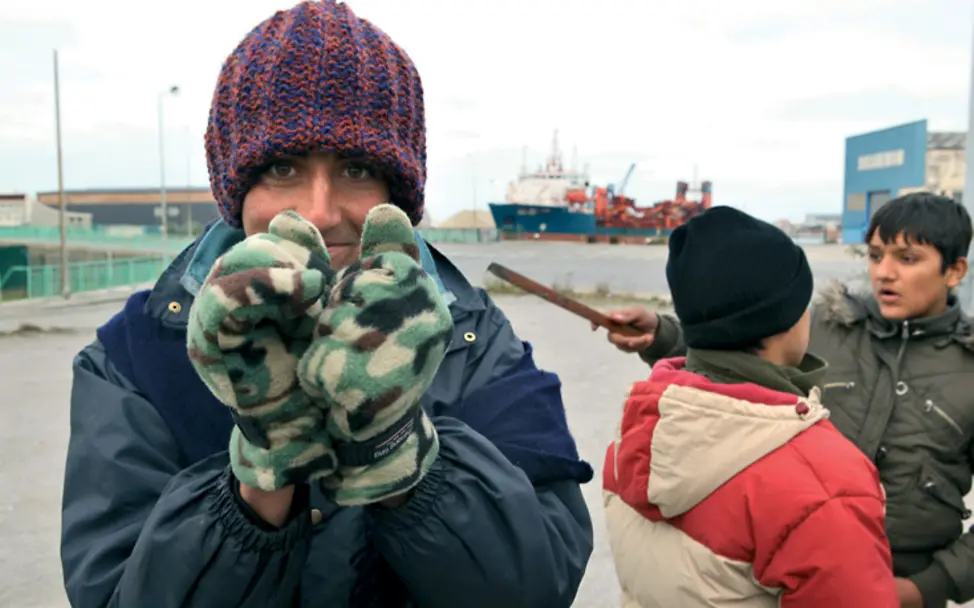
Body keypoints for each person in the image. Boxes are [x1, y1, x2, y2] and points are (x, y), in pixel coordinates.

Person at [58, 2, 595, 606]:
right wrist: (265, 463)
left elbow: (539, 585)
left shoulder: (472, 339)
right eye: (282, 167)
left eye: (357, 169)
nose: (319, 211)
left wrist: (393, 440)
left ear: (398, 193)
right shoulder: (133, 357)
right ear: (234, 192)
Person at [598, 193, 974, 608]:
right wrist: (662, 333)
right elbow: (743, 344)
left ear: (955, 270)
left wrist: (929, 587)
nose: (884, 273)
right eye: (875, 254)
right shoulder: (830, 328)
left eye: (907, 259)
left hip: (911, 584)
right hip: (795, 571)